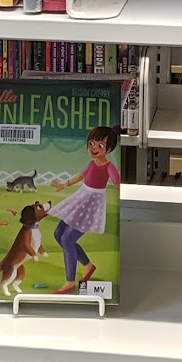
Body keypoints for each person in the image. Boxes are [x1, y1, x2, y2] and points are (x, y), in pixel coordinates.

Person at [45, 123, 119, 293]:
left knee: (67, 239)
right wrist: (64, 185)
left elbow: (117, 182)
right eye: (92, 143)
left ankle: (69, 281)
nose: (94, 148)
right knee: (58, 234)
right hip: (81, 198)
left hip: (92, 203)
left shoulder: (109, 167)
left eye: (100, 145)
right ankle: (88, 265)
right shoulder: (92, 163)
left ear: (108, 150)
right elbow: (82, 175)